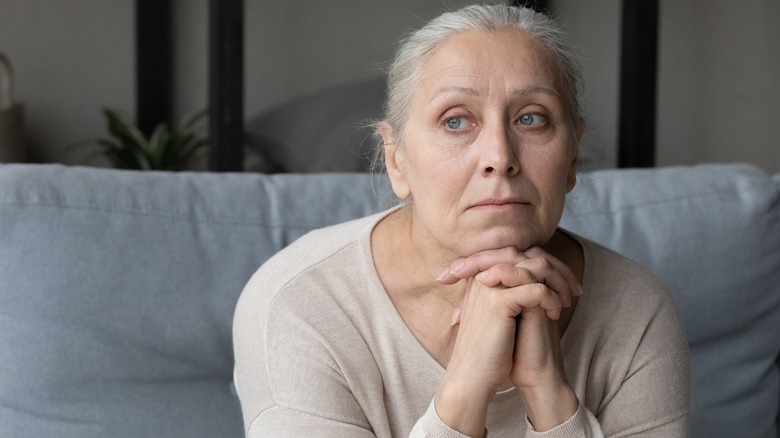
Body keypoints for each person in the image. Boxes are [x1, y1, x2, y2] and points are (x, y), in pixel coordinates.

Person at [233, 4, 690, 437]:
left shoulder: (636, 310)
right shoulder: (301, 304)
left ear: (572, 157)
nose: (499, 157)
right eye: (456, 122)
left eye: (531, 118)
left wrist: (550, 394)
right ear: (397, 161)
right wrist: (464, 390)